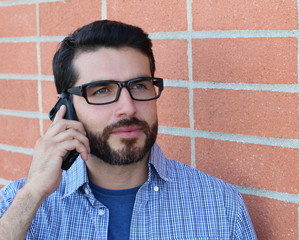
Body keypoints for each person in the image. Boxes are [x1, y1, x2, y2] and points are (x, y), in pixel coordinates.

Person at [0, 20, 257, 239]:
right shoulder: (22, 204)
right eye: (101, 90)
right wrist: (32, 195)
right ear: (67, 107)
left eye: (139, 85)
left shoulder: (220, 205)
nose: (128, 107)